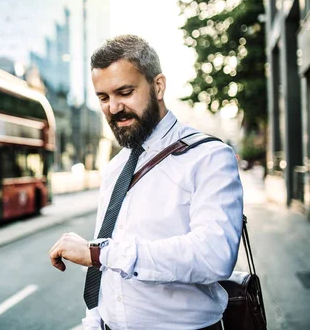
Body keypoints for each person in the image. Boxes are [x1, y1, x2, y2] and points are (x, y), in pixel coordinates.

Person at [48, 35, 243, 330]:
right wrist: (93, 322)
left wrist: (99, 253)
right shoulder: (115, 168)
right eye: (103, 97)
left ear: (158, 86)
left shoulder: (209, 157)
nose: (113, 108)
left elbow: (214, 256)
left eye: (124, 92)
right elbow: (108, 272)